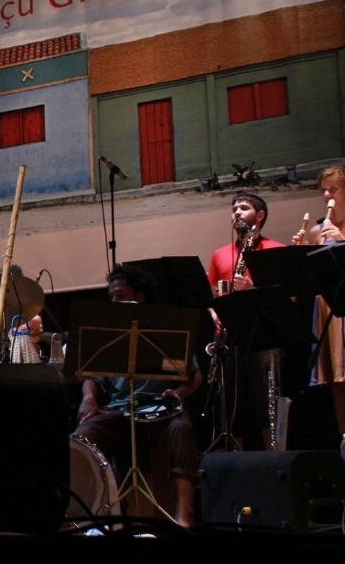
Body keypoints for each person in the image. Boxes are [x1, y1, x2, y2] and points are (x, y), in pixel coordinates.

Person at [73, 264, 201, 527]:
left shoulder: (166, 327)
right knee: (82, 437)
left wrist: (179, 393)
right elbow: (91, 377)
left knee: (181, 429)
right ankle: (96, 518)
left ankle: (184, 518)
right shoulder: (108, 333)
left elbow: (195, 375)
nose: (114, 302)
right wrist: (89, 398)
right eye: (111, 297)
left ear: (139, 296)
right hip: (119, 409)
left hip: (161, 409)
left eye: (120, 295)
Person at [206, 192, 285, 449]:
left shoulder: (276, 250)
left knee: (266, 402)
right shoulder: (220, 254)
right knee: (231, 405)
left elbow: (288, 297)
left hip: (262, 334)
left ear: (260, 215)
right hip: (229, 335)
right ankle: (235, 461)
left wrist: (252, 289)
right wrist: (215, 313)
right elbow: (213, 296)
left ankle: (274, 458)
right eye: (234, 209)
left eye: (243, 208)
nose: (236, 212)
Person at [293, 165, 345, 385]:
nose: (326, 195)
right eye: (323, 190)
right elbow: (310, 280)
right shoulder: (317, 231)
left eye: (333, 189)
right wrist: (301, 254)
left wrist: (342, 243)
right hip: (327, 306)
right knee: (335, 382)